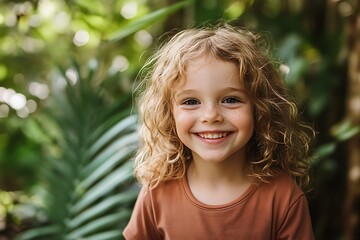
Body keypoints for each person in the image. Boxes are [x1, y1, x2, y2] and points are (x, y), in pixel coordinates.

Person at [123, 24, 315, 240]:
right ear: (169, 114)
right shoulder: (157, 192)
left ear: (260, 108)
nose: (211, 115)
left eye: (230, 100)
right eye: (191, 101)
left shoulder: (283, 196)